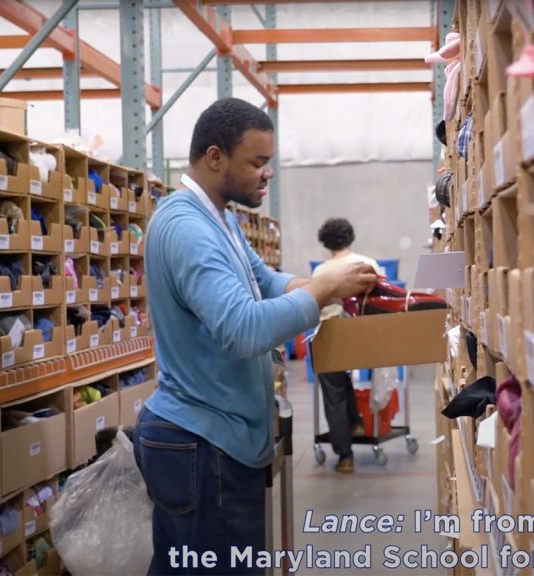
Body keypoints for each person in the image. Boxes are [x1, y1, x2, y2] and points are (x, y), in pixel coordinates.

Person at [132, 98, 378, 576]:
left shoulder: (218, 217)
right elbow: (242, 328)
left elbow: (262, 280)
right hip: (203, 444)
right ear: (215, 157)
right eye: (258, 163)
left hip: (215, 441)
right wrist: (324, 287)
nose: (268, 175)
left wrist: (331, 286)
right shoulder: (186, 228)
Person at [312, 218, 384, 473]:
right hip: (367, 338)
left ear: (325, 241)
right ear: (350, 238)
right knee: (347, 379)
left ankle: (345, 456)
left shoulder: (320, 272)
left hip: (332, 336)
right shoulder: (368, 263)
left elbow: (315, 308)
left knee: (334, 392)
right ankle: (357, 423)